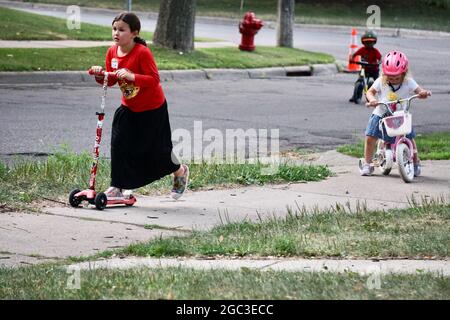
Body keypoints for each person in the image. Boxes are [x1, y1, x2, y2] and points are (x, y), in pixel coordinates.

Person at [89, 12, 189, 200]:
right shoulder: (112, 51)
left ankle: (180, 171)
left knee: (159, 152)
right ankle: (117, 185)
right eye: (114, 29)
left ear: (134, 33)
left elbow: (154, 80)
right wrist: (100, 74)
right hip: (128, 108)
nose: (116, 33)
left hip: (152, 109)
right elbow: (110, 81)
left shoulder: (142, 52)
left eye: (121, 30)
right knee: (119, 145)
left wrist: (132, 76)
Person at [360, 50, 430, 176]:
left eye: (397, 77)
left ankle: (415, 161)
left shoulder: (408, 82)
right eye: (390, 77)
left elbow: (419, 91)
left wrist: (423, 93)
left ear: (404, 73)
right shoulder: (381, 81)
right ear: (385, 73)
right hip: (381, 113)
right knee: (370, 136)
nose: (393, 80)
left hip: (400, 115)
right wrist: (373, 100)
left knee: (409, 138)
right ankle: (367, 163)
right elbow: (370, 92)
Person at [349, 30, 382, 104]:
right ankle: (355, 95)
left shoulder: (375, 51)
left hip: (374, 69)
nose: (369, 44)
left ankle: (383, 96)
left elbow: (380, 58)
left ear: (374, 42)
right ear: (363, 42)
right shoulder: (362, 49)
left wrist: (379, 62)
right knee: (359, 81)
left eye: (371, 42)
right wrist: (352, 59)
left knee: (378, 83)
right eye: (366, 42)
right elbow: (355, 55)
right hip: (364, 69)